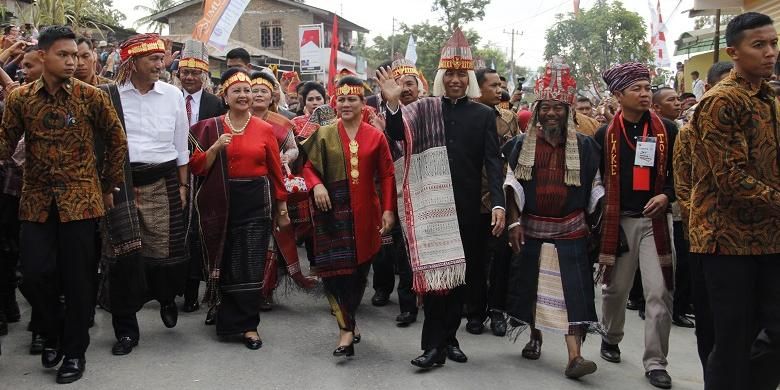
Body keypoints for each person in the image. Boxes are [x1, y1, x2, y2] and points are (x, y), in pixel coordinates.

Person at [0, 25, 127, 383]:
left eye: (75, 55)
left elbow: (117, 142)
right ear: (43, 56)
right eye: (64, 55)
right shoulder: (21, 99)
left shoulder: (92, 97)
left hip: (82, 203)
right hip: (36, 201)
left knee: (78, 281)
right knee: (35, 274)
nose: (72, 62)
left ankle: (74, 351)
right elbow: (5, 143)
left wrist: (106, 185)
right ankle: (51, 331)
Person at [376, 28, 505, 368]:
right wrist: (391, 103)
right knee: (435, 279)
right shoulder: (423, 109)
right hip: (432, 208)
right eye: (450, 73)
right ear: (440, 77)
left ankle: (449, 339)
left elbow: (493, 161)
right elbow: (394, 133)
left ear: (469, 79)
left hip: (468, 209)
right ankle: (433, 346)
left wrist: (498, 202)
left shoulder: (484, 115)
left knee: (460, 277)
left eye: (462, 74)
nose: (456, 80)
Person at [688, 12, 780, 390]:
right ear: (733, 51)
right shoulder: (721, 101)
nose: (770, 53)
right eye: (759, 45)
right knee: (732, 343)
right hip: (726, 241)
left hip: (770, 236)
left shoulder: (768, 98)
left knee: (772, 336)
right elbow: (729, 177)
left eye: (773, 43)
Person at [502, 58, 604, 379]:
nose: (550, 113)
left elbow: (597, 188)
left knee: (572, 292)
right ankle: (535, 336)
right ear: (536, 110)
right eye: (544, 107)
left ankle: (575, 357)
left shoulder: (586, 147)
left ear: (568, 112)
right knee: (533, 288)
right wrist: (515, 222)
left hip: (571, 230)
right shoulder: (519, 145)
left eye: (557, 108)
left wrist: (598, 227)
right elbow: (511, 185)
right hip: (531, 228)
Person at [190, 68, 290, 349]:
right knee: (223, 259)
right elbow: (197, 167)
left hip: (255, 200)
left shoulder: (265, 129)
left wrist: (282, 208)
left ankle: (248, 325)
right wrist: (215, 149)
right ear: (225, 96)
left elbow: (275, 172)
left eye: (248, 90)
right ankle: (223, 312)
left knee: (250, 264)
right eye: (237, 91)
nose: (244, 96)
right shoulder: (211, 127)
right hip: (220, 200)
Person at [106, 33, 190, 357]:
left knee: (165, 253)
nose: (161, 64)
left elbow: (181, 144)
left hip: (163, 178)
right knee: (122, 257)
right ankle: (126, 329)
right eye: (153, 59)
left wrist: (182, 187)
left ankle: (166, 297)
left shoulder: (172, 95)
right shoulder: (110, 95)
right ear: (132, 62)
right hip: (122, 182)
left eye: (161, 58)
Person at [300, 76, 396, 357]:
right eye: (341, 99)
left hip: (367, 215)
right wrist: (316, 185)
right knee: (333, 275)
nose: (345, 104)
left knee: (357, 274)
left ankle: (348, 321)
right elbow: (307, 168)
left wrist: (389, 209)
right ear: (335, 102)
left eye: (351, 99)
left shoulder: (375, 136)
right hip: (332, 215)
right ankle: (345, 331)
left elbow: (388, 175)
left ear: (362, 104)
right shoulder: (325, 133)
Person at [596, 62, 678, 389]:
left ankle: (656, 361)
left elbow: (681, 176)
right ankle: (610, 336)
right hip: (619, 221)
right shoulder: (604, 135)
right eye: (637, 89)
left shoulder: (668, 130)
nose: (645, 94)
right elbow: (596, 181)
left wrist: (666, 197)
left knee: (659, 291)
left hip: (655, 221)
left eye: (647, 88)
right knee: (615, 288)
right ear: (618, 95)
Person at [673, 60, 733, 374]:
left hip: (763, 241)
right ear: (707, 91)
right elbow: (683, 188)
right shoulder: (688, 135)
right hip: (709, 241)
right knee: (713, 328)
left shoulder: (766, 124)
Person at [248, 71, 315, 306]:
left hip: (273, 183)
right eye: (253, 90)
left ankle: (264, 290)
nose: (257, 95)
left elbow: (293, 148)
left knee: (271, 236)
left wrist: (285, 157)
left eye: (263, 91)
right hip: (245, 183)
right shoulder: (236, 118)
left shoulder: (281, 122)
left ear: (272, 96)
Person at [466, 67, 519, 336]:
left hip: (501, 199)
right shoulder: (467, 117)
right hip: (473, 198)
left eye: (500, 86)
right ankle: (475, 312)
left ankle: (497, 311)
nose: (499, 90)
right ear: (477, 87)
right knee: (475, 258)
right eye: (493, 86)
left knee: (501, 257)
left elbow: (516, 158)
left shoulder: (509, 118)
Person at [369, 58, 421, 328]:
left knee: (416, 250)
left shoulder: (429, 110)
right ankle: (392, 295)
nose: (404, 88)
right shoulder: (379, 112)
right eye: (398, 83)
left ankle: (418, 300)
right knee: (392, 246)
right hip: (391, 186)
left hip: (424, 189)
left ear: (420, 88)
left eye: (409, 83)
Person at [175, 39, 225, 315]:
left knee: (199, 233)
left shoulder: (215, 103)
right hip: (174, 173)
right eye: (184, 72)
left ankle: (195, 290)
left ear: (204, 75)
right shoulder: (169, 97)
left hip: (205, 175)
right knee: (176, 232)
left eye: (195, 73)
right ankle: (173, 287)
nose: (189, 77)